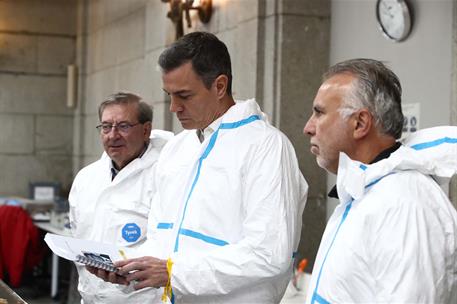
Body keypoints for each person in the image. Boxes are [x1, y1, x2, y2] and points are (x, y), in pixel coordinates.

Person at [89, 32, 308, 303]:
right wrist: (130, 269)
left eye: (184, 95)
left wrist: (173, 272)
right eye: (169, 95)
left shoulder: (266, 146)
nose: (173, 108)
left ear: (219, 86)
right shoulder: (177, 149)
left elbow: (269, 254)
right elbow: (161, 238)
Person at [303, 58, 457, 303]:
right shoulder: (368, 191)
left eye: (319, 113)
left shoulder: (406, 203)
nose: (308, 128)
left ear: (360, 123)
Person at [69, 92, 172, 303]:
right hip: (91, 297)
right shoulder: (86, 178)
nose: (112, 135)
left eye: (123, 126)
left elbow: (168, 246)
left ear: (146, 130)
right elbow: (77, 232)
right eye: (106, 126)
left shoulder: (166, 175)